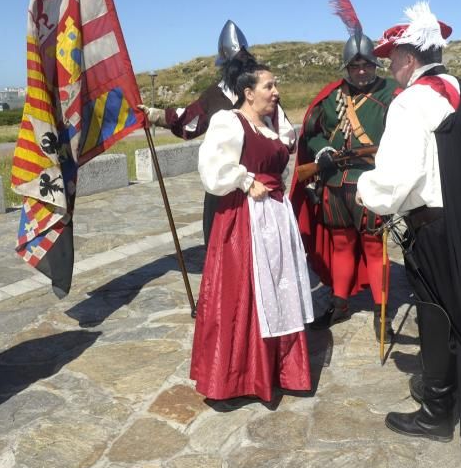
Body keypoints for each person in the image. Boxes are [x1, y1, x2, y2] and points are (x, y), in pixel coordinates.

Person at [356, 2, 461, 453]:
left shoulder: (412, 101)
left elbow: (398, 178)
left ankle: (436, 412)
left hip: (434, 227)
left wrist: (365, 192)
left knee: (437, 317)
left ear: (410, 58)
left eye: (392, 57)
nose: (389, 66)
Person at [190, 60, 314, 404]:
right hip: (244, 221)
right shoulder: (230, 122)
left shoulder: (271, 121)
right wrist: (245, 180)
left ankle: (279, 369)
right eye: (268, 86)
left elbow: (285, 144)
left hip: (274, 214)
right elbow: (212, 168)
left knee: (277, 288)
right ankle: (238, 376)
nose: (276, 92)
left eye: (275, 85)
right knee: (244, 294)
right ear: (248, 93)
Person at [142, 21, 295, 245]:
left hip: (262, 187)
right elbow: (188, 119)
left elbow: (285, 137)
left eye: (245, 61)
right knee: (222, 244)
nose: (242, 66)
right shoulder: (214, 96)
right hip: (225, 185)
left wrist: (271, 170)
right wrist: (154, 115)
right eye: (237, 62)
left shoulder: (263, 95)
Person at [292, 33, 399, 340]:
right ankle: (339, 303)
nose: (361, 71)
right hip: (334, 184)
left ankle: (382, 313)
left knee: (373, 248)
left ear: (375, 64)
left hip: (371, 183)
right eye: (355, 66)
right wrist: (323, 150)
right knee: (340, 244)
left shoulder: (393, 94)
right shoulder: (332, 97)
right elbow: (312, 133)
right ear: (347, 68)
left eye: (366, 65)